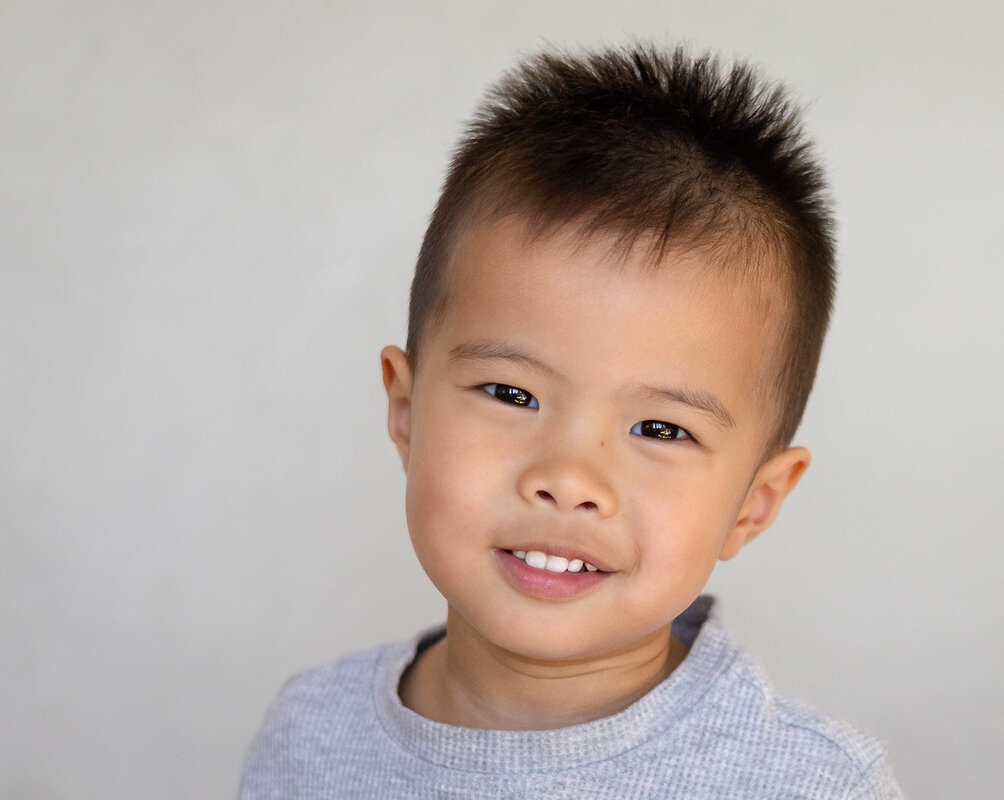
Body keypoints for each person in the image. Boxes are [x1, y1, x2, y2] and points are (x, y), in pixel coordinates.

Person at [241, 43, 902, 799]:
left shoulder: (809, 783)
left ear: (755, 501)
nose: (569, 479)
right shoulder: (311, 736)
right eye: (511, 394)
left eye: (660, 430)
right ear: (405, 408)